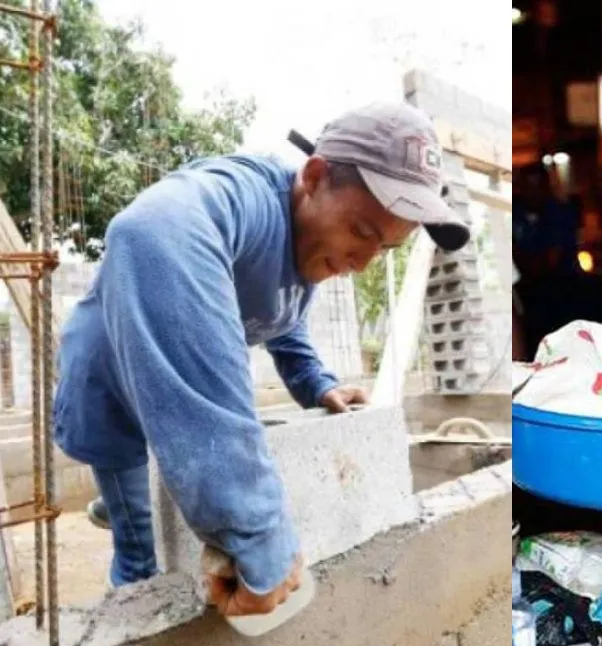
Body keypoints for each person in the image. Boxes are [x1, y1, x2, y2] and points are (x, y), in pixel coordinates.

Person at [53, 101, 469, 616]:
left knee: (162, 504)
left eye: (382, 250)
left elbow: (283, 313)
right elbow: (149, 230)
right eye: (362, 232)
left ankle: (118, 508)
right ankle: (129, 623)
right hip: (109, 391)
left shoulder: (309, 245)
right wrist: (256, 530)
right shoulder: (241, 199)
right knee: (142, 552)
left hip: (165, 395)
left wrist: (316, 383)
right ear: (314, 177)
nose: (362, 264)